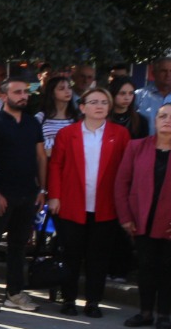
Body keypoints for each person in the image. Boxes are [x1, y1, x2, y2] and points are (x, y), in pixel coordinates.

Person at [47, 87, 130, 316]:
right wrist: (54, 196)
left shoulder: (120, 134)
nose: (99, 106)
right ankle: (68, 299)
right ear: (82, 107)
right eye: (94, 102)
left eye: (104, 102)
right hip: (72, 203)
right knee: (71, 254)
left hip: (105, 205)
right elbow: (56, 165)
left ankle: (93, 301)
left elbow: (126, 170)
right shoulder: (67, 133)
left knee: (99, 257)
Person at [0, 73, 48, 312]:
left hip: (28, 194)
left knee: (19, 245)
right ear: (4, 96)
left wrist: (42, 189)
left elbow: (40, 156)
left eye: (26, 92)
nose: (23, 96)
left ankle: (14, 293)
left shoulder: (32, 123)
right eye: (18, 92)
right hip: (1, 195)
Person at [114, 103, 171, 329]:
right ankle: (145, 312)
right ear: (155, 121)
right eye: (163, 116)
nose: (167, 120)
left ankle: (165, 314)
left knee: (167, 267)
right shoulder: (136, 146)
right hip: (141, 219)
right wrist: (125, 217)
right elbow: (121, 183)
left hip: (168, 221)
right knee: (146, 266)